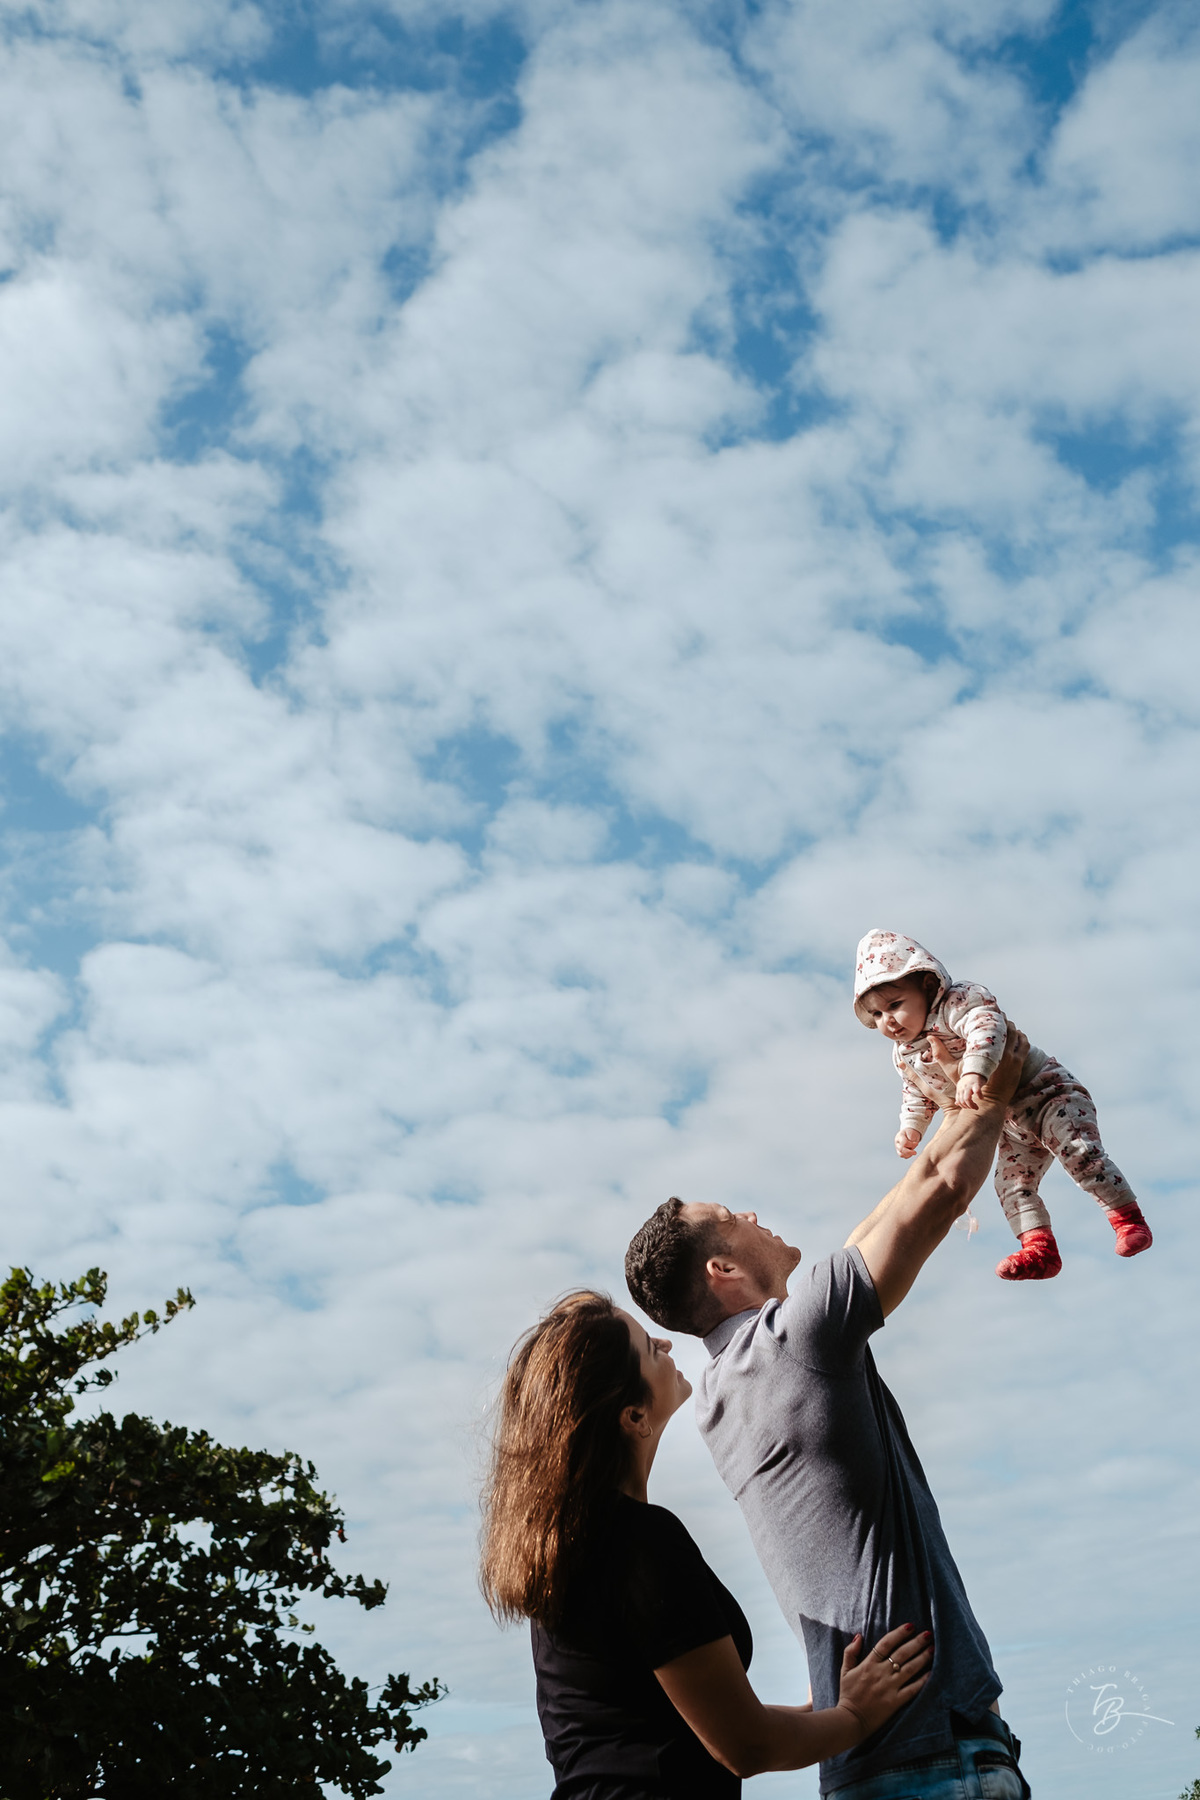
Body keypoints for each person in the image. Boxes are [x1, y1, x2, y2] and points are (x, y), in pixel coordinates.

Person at [624, 1023, 1036, 1799]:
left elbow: (883, 1218)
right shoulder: (797, 1340)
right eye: (734, 1214)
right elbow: (940, 1190)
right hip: (934, 1766)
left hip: (875, 1769)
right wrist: (1004, 1069)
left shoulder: (728, 1385)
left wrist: (955, 1092)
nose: (755, 1213)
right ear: (723, 1268)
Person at [480, 1290, 932, 1800]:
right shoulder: (639, 1541)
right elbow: (745, 1747)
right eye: (649, 1348)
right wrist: (855, 1716)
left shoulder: (573, 1548)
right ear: (633, 1416)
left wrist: (819, 1709)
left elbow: (665, 1728)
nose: (666, 1344)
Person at [854, 927, 1151, 1280]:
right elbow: (916, 1092)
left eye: (894, 1005)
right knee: (1011, 1184)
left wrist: (972, 1073)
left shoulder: (958, 1003)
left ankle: (1128, 1220)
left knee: (1078, 1152)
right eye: (876, 1015)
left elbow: (987, 1029)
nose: (887, 1021)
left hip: (1046, 1093)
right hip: (1010, 1122)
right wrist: (911, 1128)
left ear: (926, 986)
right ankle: (1040, 1249)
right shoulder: (905, 1054)